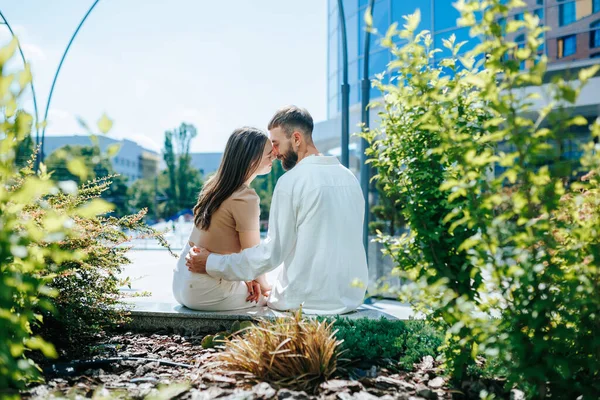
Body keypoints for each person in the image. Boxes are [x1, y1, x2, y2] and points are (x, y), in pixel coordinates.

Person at [186, 106, 368, 315]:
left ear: (297, 139)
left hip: (306, 300)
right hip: (351, 296)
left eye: (276, 144)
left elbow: (272, 253)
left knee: (264, 288)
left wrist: (212, 263)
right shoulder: (350, 178)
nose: (275, 153)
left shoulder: (291, 181)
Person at [172, 126, 274, 311]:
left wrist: (247, 278)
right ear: (251, 159)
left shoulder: (213, 186)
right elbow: (253, 257)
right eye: (268, 153)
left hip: (181, 283)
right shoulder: (246, 197)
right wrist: (268, 289)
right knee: (273, 301)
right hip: (206, 291)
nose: (274, 156)